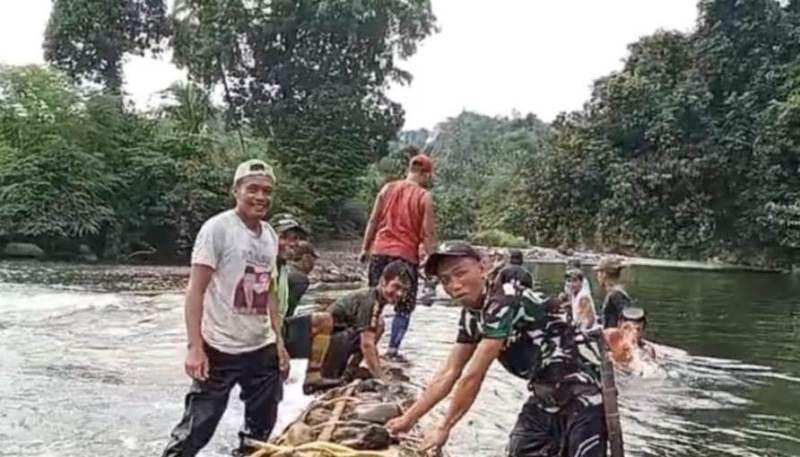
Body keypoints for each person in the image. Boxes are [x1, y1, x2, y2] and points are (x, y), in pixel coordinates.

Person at [386, 241, 607, 457]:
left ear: (482, 269)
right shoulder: (471, 316)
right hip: (544, 396)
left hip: (583, 394)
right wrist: (408, 419)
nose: (454, 285)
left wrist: (444, 427)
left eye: (460, 273)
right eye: (445, 280)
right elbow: (449, 372)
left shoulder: (504, 299)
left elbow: (474, 375)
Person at [161, 159, 287, 457]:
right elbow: (196, 289)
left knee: (260, 430)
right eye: (252, 189)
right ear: (236, 190)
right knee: (196, 429)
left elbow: (268, 291)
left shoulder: (270, 235)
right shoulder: (217, 229)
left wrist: (279, 342)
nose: (260, 197)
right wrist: (195, 347)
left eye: (267, 191)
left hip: (260, 346)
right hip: (219, 347)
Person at [359, 151, 437, 359]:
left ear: (409, 170)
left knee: (374, 300)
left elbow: (373, 221)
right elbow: (428, 233)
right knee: (404, 306)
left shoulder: (387, 189)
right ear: (426, 174)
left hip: (379, 252)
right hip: (405, 257)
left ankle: (364, 345)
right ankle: (392, 350)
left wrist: (365, 248)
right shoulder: (424, 197)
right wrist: (433, 262)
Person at [269, 213, 341, 394]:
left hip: (276, 326)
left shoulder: (283, 267)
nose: (291, 243)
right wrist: (279, 344)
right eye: (284, 237)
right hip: (266, 331)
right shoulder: (296, 277)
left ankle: (311, 377)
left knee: (324, 320)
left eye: (295, 239)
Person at [322, 260, 412, 381]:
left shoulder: (375, 299)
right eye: (396, 287)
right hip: (325, 343)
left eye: (404, 290)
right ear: (383, 282)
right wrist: (381, 377)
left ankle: (349, 370)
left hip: (333, 341)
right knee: (373, 329)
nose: (400, 294)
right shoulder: (369, 302)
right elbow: (367, 345)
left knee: (378, 324)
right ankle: (334, 374)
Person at [594, 256, 632, 328]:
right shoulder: (614, 293)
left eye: (599, 272)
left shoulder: (616, 295)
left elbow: (627, 320)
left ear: (604, 274)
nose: (597, 276)